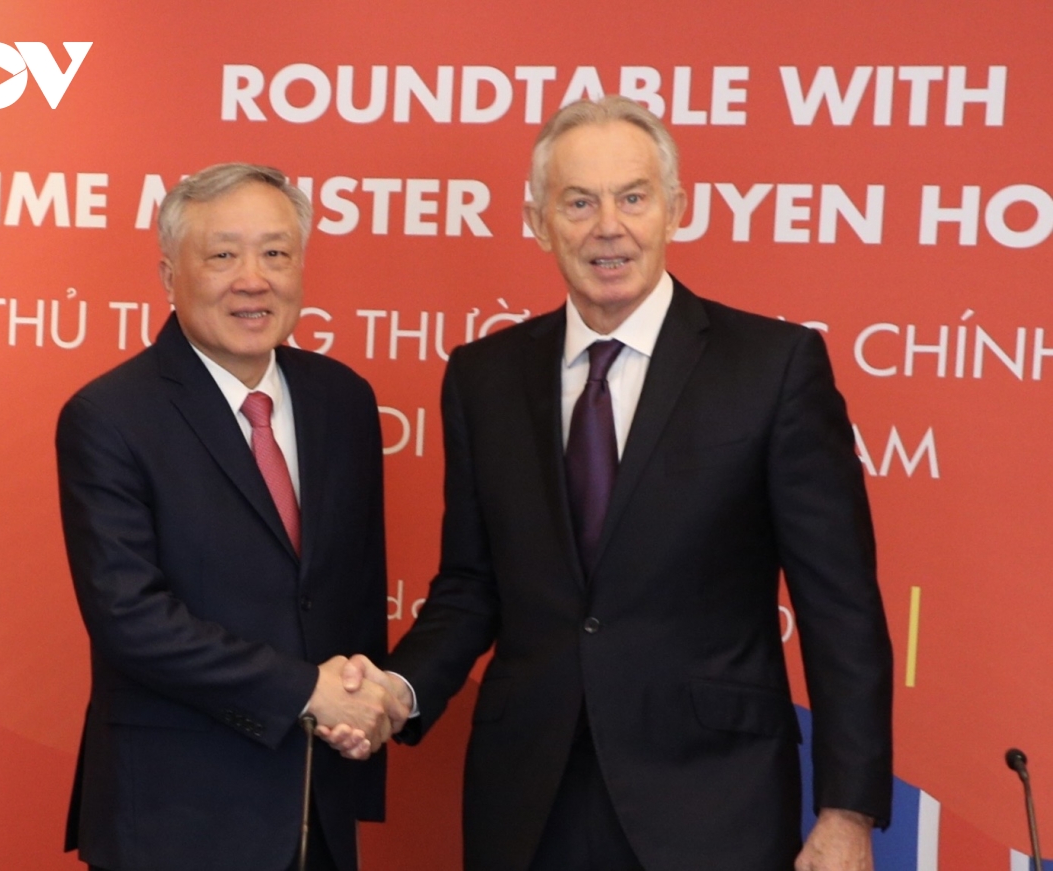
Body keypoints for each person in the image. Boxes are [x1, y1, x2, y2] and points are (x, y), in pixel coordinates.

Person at [333, 97, 893, 870]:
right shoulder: (483, 377)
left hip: (713, 799)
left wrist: (847, 810)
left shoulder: (773, 367)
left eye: (632, 197)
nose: (608, 226)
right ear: (538, 221)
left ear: (675, 209)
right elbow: (470, 587)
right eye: (579, 202)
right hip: (529, 801)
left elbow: (841, 608)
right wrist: (399, 689)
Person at [56, 162, 405, 871]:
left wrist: (363, 714)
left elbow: (354, 593)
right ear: (169, 275)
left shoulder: (343, 400)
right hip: (175, 820)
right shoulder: (111, 415)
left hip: (315, 805)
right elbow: (131, 618)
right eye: (223, 256)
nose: (254, 279)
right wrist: (306, 692)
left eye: (276, 253)